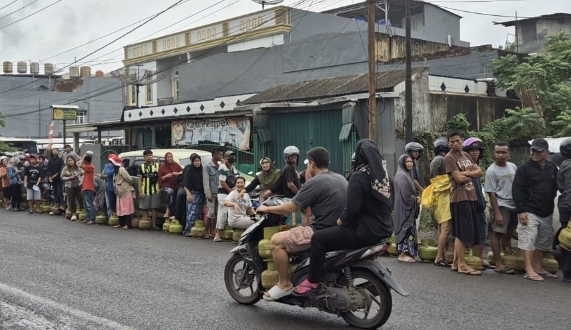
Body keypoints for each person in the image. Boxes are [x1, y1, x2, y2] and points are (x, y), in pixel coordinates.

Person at [294, 139, 393, 294]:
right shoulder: (385, 179)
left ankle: (313, 281)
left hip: (364, 232)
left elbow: (352, 209)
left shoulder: (359, 176)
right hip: (385, 230)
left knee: (319, 239)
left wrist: (341, 220)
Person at [256, 147, 347, 301]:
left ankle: (284, 283)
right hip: (340, 231)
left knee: (276, 241)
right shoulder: (341, 178)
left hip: (320, 231)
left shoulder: (315, 182)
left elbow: (291, 207)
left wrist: (266, 208)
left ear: (312, 164)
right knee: (296, 230)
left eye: (308, 164)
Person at [513, 138, 558, 281]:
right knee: (529, 239)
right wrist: (521, 210)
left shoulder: (552, 168)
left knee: (543, 241)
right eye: (533, 150)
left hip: (547, 210)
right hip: (529, 210)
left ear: (547, 153)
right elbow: (517, 190)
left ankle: (538, 267)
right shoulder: (524, 168)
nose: (535, 153)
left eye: (539, 151)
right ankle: (529, 268)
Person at [444, 129, 483, 276]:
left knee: (465, 231)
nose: (455, 143)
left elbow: (479, 172)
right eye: (452, 141)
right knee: (461, 233)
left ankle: (455, 263)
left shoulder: (466, 155)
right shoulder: (449, 158)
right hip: (459, 198)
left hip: (471, 196)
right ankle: (461, 264)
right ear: (448, 143)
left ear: (462, 140)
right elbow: (458, 180)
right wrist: (470, 174)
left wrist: (465, 173)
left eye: (457, 140)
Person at [484, 141, 518, 274]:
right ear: (494, 153)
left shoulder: (513, 167)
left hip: (513, 205)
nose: (501, 155)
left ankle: (508, 260)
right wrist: (497, 213)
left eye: (504, 152)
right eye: (498, 152)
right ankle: (498, 263)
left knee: (508, 234)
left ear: (508, 153)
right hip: (501, 206)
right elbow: (491, 193)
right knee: (497, 233)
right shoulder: (491, 171)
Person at [462, 137, 493, 269]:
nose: (475, 153)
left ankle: (479, 259)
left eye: (477, 150)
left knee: (482, 232)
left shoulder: (476, 166)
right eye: (472, 150)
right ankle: (467, 260)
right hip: (468, 204)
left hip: (480, 204)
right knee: (467, 234)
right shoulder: (464, 166)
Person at [422, 137, 452, 266]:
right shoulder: (443, 160)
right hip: (444, 199)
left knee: (440, 228)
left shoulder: (434, 160)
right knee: (446, 229)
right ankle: (439, 257)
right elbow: (447, 179)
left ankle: (441, 254)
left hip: (438, 198)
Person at [263, 146, 302, 226]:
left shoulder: (290, 168)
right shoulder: (288, 168)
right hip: (291, 199)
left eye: (295, 155)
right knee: (293, 224)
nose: (293, 157)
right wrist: (300, 194)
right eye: (291, 156)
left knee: (292, 222)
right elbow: (290, 185)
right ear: (286, 157)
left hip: (291, 199)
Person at [394, 153, 421, 263]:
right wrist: (415, 200)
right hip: (404, 208)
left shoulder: (407, 174)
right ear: (402, 163)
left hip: (408, 208)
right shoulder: (402, 176)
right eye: (407, 162)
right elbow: (405, 195)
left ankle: (410, 252)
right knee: (405, 230)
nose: (410, 164)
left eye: (411, 162)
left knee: (410, 230)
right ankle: (402, 253)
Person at [214, 150, 240, 242]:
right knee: (223, 213)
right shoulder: (222, 167)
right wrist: (231, 191)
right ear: (225, 158)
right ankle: (217, 234)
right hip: (223, 193)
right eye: (229, 156)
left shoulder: (232, 168)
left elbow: (238, 178)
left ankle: (226, 233)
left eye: (233, 156)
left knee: (228, 212)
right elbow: (222, 182)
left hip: (230, 193)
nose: (232, 157)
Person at [557, 137, 571, 282]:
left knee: (566, 240)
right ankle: (568, 273)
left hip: (564, 206)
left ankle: (568, 272)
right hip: (568, 207)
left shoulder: (564, 164)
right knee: (568, 240)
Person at [137, 149, 161, 230]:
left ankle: (154, 225)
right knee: (145, 208)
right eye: (147, 156)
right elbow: (139, 180)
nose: (149, 157)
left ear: (152, 156)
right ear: (144, 157)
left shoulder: (158, 165)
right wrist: (140, 191)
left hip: (156, 190)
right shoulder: (141, 167)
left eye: (150, 155)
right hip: (145, 190)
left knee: (154, 208)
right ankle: (145, 224)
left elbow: (160, 178)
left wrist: (160, 188)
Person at [203, 148, 223, 239]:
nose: (221, 157)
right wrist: (208, 194)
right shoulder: (207, 166)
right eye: (220, 155)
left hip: (218, 193)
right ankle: (206, 231)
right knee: (210, 214)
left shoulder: (220, 166)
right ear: (214, 155)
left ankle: (212, 231)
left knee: (216, 214)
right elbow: (206, 181)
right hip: (211, 193)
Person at [183, 153, 205, 236]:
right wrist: (188, 194)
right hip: (192, 193)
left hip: (201, 193)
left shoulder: (202, 170)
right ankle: (188, 230)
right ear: (192, 162)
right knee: (191, 212)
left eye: (198, 161)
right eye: (195, 161)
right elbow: (185, 184)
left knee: (199, 212)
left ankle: (197, 230)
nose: (197, 163)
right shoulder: (189, 171)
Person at [112, 155, 134, 229]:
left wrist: (126, 186)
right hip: (119, 192)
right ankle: (121, 223)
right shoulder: (116, 170)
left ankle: (127, 224)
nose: (110, 165)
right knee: (120, 208)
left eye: (111, 163)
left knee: (126, 208)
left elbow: (129, 179)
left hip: (125, 191)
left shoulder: (121, 169)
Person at [158, 152, 183, 219]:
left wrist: (177, 173)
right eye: (168, 157)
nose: (169, 158)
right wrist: (166, 176)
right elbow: (159, 179)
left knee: (177, 193)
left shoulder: (176, 165)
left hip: (176, 186)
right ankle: (168, 210)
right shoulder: (162, 167)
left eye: (170, 157)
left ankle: (171, 212)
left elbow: (183, 171)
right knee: (170, 192)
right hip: (165, 187)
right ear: (165, 158)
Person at [61, 155, 83, 221]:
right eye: (68, 161)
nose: (69, 162)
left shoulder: (78, 167)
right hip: (69, 186)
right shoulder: (65, 168)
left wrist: (80, 175)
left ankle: (83, 212)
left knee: (80, 198)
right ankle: (73, 214)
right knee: (71, 200)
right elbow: (62, 177)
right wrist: (69, 178)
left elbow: (83, 173)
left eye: (71, 160)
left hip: (78, 185)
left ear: (74, 160)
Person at [79, 152, 96, 225]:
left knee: (89, 204)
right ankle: (88, 218)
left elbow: (80, 165)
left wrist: (83, 156)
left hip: (89, 187)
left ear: (86, 161)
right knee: (86, 205)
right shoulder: (89, 166)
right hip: (85, 187)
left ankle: (91, 219)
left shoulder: (90, 167)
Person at [47, 148, 65, 215]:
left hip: (59, 178)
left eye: (56, 150)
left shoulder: (60, 160)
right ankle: (56, 203)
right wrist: (50, 176)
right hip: (52, 178)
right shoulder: (50, 161)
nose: (55, 151)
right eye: (54, 150)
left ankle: (62, 205)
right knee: (54, 191)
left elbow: (62, 168)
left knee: (60, 192)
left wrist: (56, 175)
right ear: (51, 152)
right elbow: (48, 169)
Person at [101, 154, 117, 219]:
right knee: (109, 202)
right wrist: (116, 169)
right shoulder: (107, 166)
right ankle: (111, 216)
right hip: (109, 186)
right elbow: (107, 174)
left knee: (116, 202)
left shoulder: (118, 166)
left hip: (118, 187)